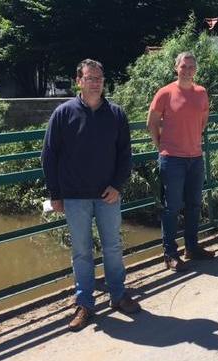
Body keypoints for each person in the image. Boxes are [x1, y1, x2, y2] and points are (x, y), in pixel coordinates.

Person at [42, 59, 141, 332]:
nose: (95, 83)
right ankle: (85, 303)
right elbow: (49, 155)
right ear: (79, 81)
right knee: (81, 252)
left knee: (112, 247)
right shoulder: (63, 114)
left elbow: (125, 155)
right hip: (74, 197)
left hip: (108, 195)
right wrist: (55, 194)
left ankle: (118, 295)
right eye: (90, 78)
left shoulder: (117, 114)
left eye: (99, 78)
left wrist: (118, 185)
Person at [147, 52, 214, 272]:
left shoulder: (202, 93)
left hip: (195, 158)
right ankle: (170, 253)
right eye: (183, 66)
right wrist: (162, 148)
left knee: (194, 205)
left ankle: (192, 247)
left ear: (196, 69)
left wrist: (191, 141)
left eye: (191, 67)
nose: (187, 70)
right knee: (172, 208)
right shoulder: (165, 93)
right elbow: (152, 122)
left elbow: (203, 122)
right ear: (176, 67)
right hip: (172, 159)